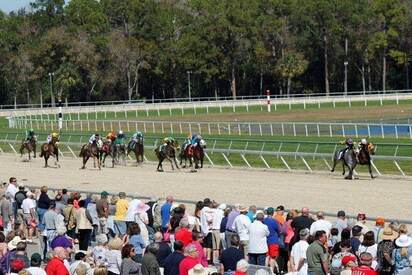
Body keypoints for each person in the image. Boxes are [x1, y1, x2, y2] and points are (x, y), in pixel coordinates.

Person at [263, 207, 281, 272]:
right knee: (273, 258)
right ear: (273, 213)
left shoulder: (263, 220)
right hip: (273, 241)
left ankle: (265, 271)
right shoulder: (275, 221)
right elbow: (279, 231)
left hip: (265, 241)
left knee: (266, 257)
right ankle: (271, 272)